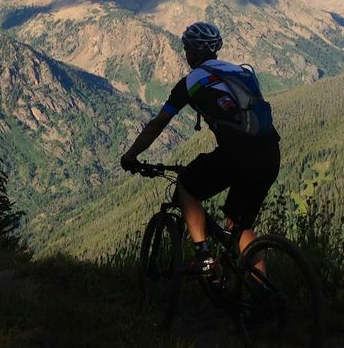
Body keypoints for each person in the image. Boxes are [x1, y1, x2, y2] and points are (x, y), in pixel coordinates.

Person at [120, 21, 281, 276]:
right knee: (239, 225)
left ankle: (203, 257)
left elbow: (157, 125)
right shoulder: (239, 72)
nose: (185, 53)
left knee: (186, 185)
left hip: (237, 153)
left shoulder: (191, 82)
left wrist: (131, 155)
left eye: (186, 48)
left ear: (192, 52)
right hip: (270, 151)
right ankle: (262, 292)